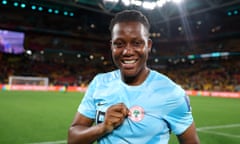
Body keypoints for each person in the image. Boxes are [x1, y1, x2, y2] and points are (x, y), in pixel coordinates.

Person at [68, 10, 200, 144]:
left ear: (148, 46)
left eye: (137, 43)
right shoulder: (99, 83)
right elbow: (73, 139)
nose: (127, 51)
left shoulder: (171, 93)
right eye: (119, 44)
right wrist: (103, 127)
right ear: (111, 46)